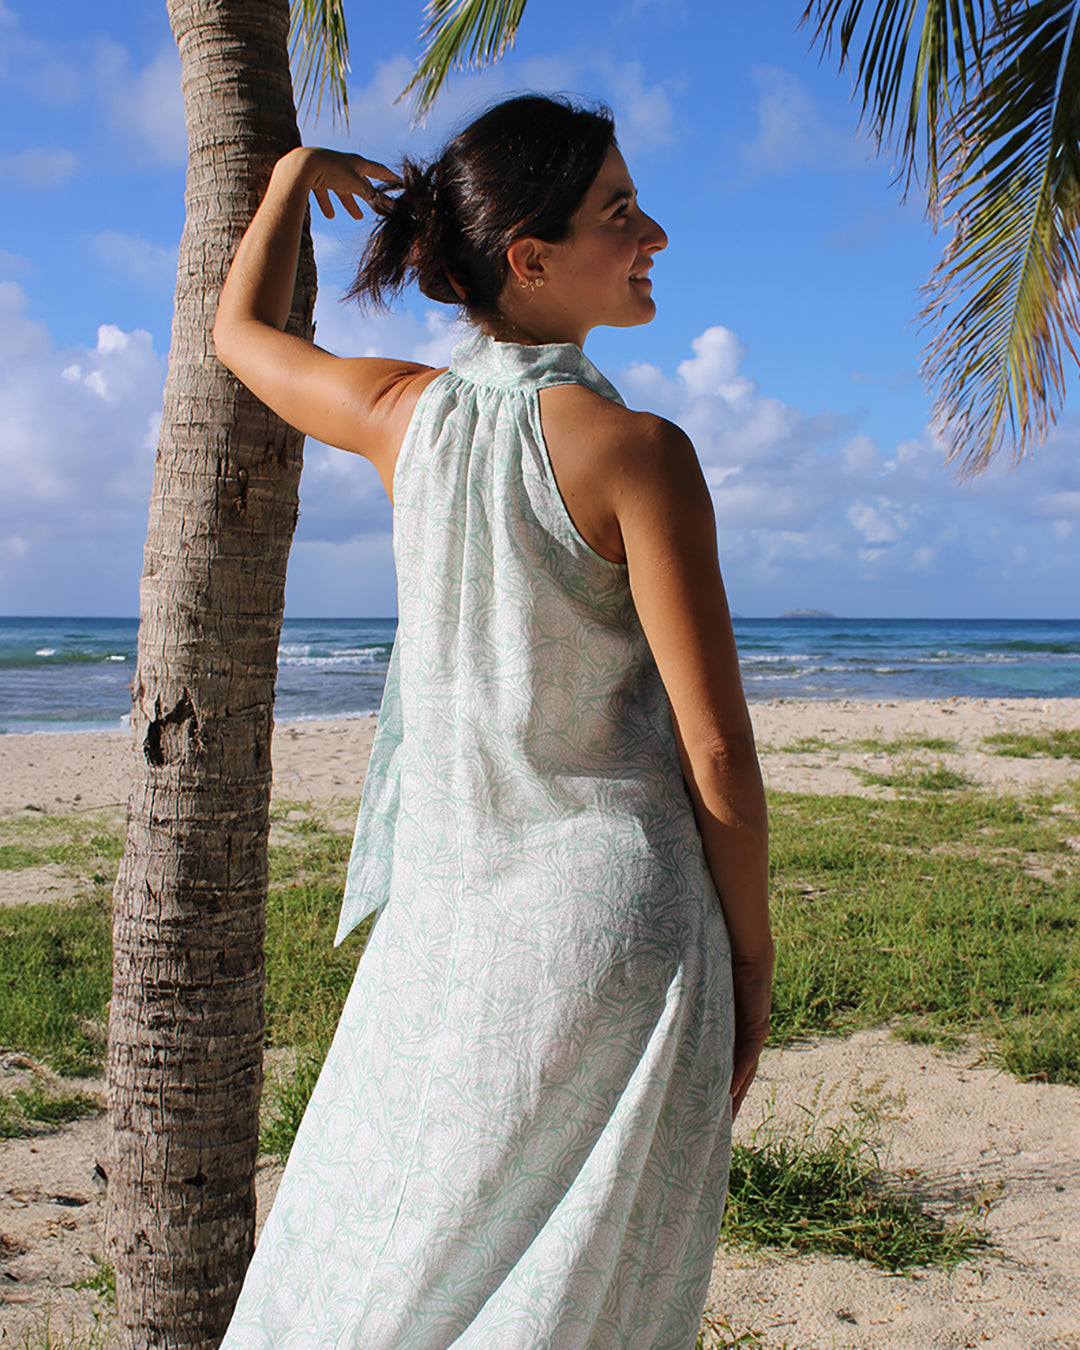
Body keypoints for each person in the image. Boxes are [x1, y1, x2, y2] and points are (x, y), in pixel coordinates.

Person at [213, 93, 772, 1350]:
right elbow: (717, 746)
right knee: (576, 1293)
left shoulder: (399, 415)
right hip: (613, 922)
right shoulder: (637, 450)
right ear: (530, 257)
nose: (656, 234)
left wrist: (292, 182)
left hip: (448, 927)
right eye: (620, 212)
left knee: (389, 1260)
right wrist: (751, 959)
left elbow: (236, 335)